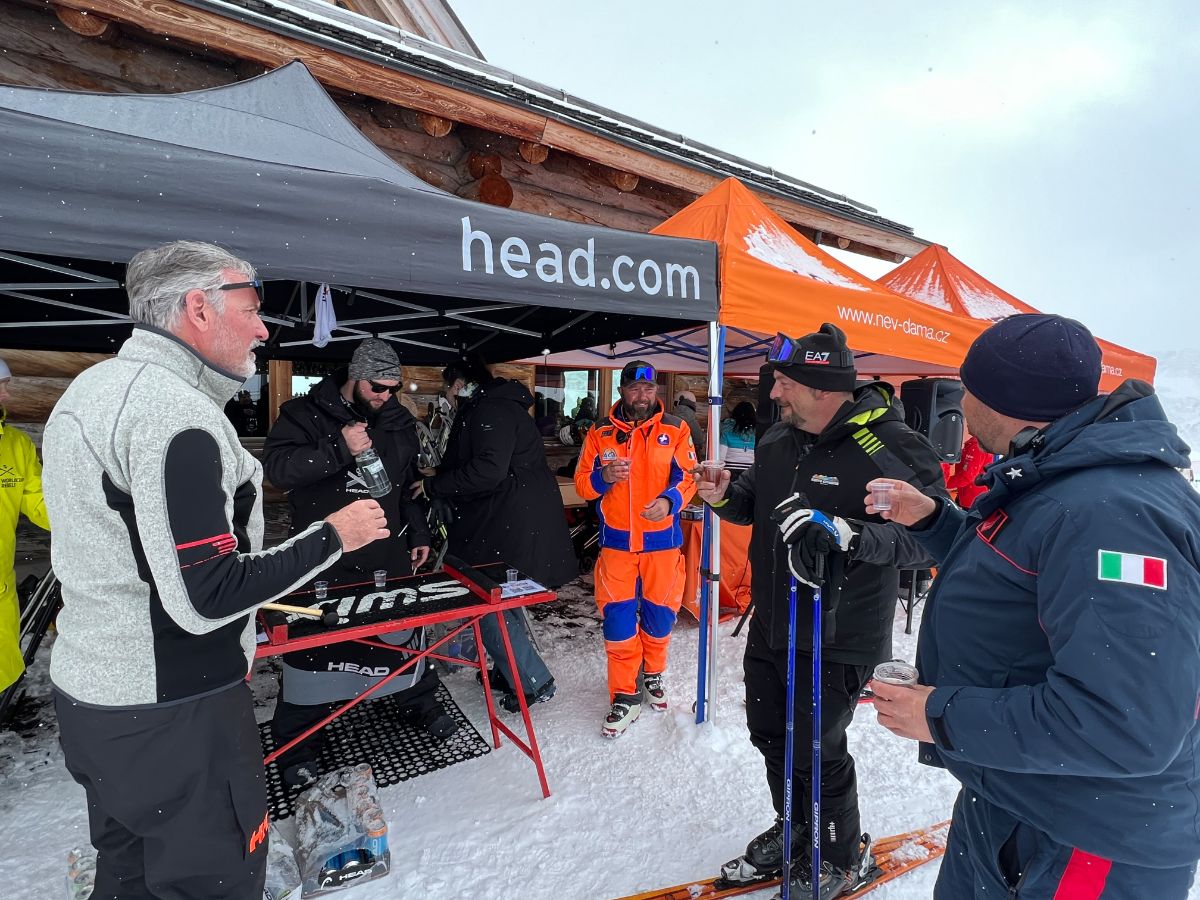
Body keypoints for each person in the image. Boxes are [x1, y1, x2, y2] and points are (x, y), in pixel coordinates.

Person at [41, 241, 388, 900]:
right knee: (216, 883)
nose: (263, 328)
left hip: (99, 703)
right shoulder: (176, 416)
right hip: (178, 711)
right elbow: (207, 594)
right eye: (251, 307)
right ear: (198, 308)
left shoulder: (94, 388)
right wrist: (332, 537)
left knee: (129, 881)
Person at [870, 313, 1200, 899]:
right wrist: (936, 521)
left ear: (1001, 403)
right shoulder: (1066, 478)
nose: (961, 401)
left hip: (1087, 839)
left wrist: (941, 716)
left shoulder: (1108, 515)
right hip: (1018, 797)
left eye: (966, 386)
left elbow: (1126, 725)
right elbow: (1026, 576)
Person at [693, 324, 945, 899]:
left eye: (785, 383)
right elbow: (756, 497)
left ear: (821, 386)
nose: (775, 393)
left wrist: (853, 535)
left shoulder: (892, 445)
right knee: (769, 731)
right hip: (774, 619)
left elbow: (932, 538)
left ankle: (839, 851)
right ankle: (796, 829)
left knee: (816, 742)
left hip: (839, 628)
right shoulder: (782, 436)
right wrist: (724, 493)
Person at [262, 338, 455, 788]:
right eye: (377, 386)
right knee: (313, 644)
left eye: (394, 387)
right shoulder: (303, 414)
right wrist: (339, 448)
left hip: (385, 552)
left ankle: (416, 700)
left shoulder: (397, 419)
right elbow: (278, 471)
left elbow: (406, 486)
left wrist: (420, 534)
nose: (385, 395)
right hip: (322, 553)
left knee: (399, 635)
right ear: (354, 375)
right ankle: (298, 741)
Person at [416, 355, 576, 711]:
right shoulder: (493, 406)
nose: (449, 396)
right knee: (502, 597)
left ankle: (533, 680)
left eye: (448, 388)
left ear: (459, 383)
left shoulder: (490, 410)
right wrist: (439, 473)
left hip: (507, 524)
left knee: (484, 600)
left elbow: (488, 470)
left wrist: (435, 486)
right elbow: (478, 459)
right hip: (507, 522)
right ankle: (511, 669)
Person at [574, 360, 697, 737]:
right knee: (619, 622)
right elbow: (581, 485)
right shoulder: (600, 433)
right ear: (622, 390)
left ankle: (653, 675)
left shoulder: (675, 429)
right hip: (617, 548)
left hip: (662, 544)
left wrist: (670, 501)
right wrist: (603, 476)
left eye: (648, 389)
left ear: (655, 391)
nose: (642, 396)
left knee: (660, 617)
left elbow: (688, 476)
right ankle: (624, 695)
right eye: (634, 389)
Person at [0, 358, 51, 695]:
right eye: (0, 386)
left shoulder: (15, 445)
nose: (6, 395)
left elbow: (38, 500)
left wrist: (84, 515)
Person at [941, 433, 991, 508]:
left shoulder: (976, 446)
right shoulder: (974, 444)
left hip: (971, 498)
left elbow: (967, 477)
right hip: (967, 494)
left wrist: (942, 484)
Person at [720, 400, 758, 478]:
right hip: (749, 473)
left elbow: (721, 456)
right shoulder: (757, 434)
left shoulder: (727, 431)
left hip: (729, 473)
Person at [673, 388, 706, 460]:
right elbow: (699, 444)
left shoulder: (667, 418)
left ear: (676, 403)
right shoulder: (693, 422)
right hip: (687, 460)